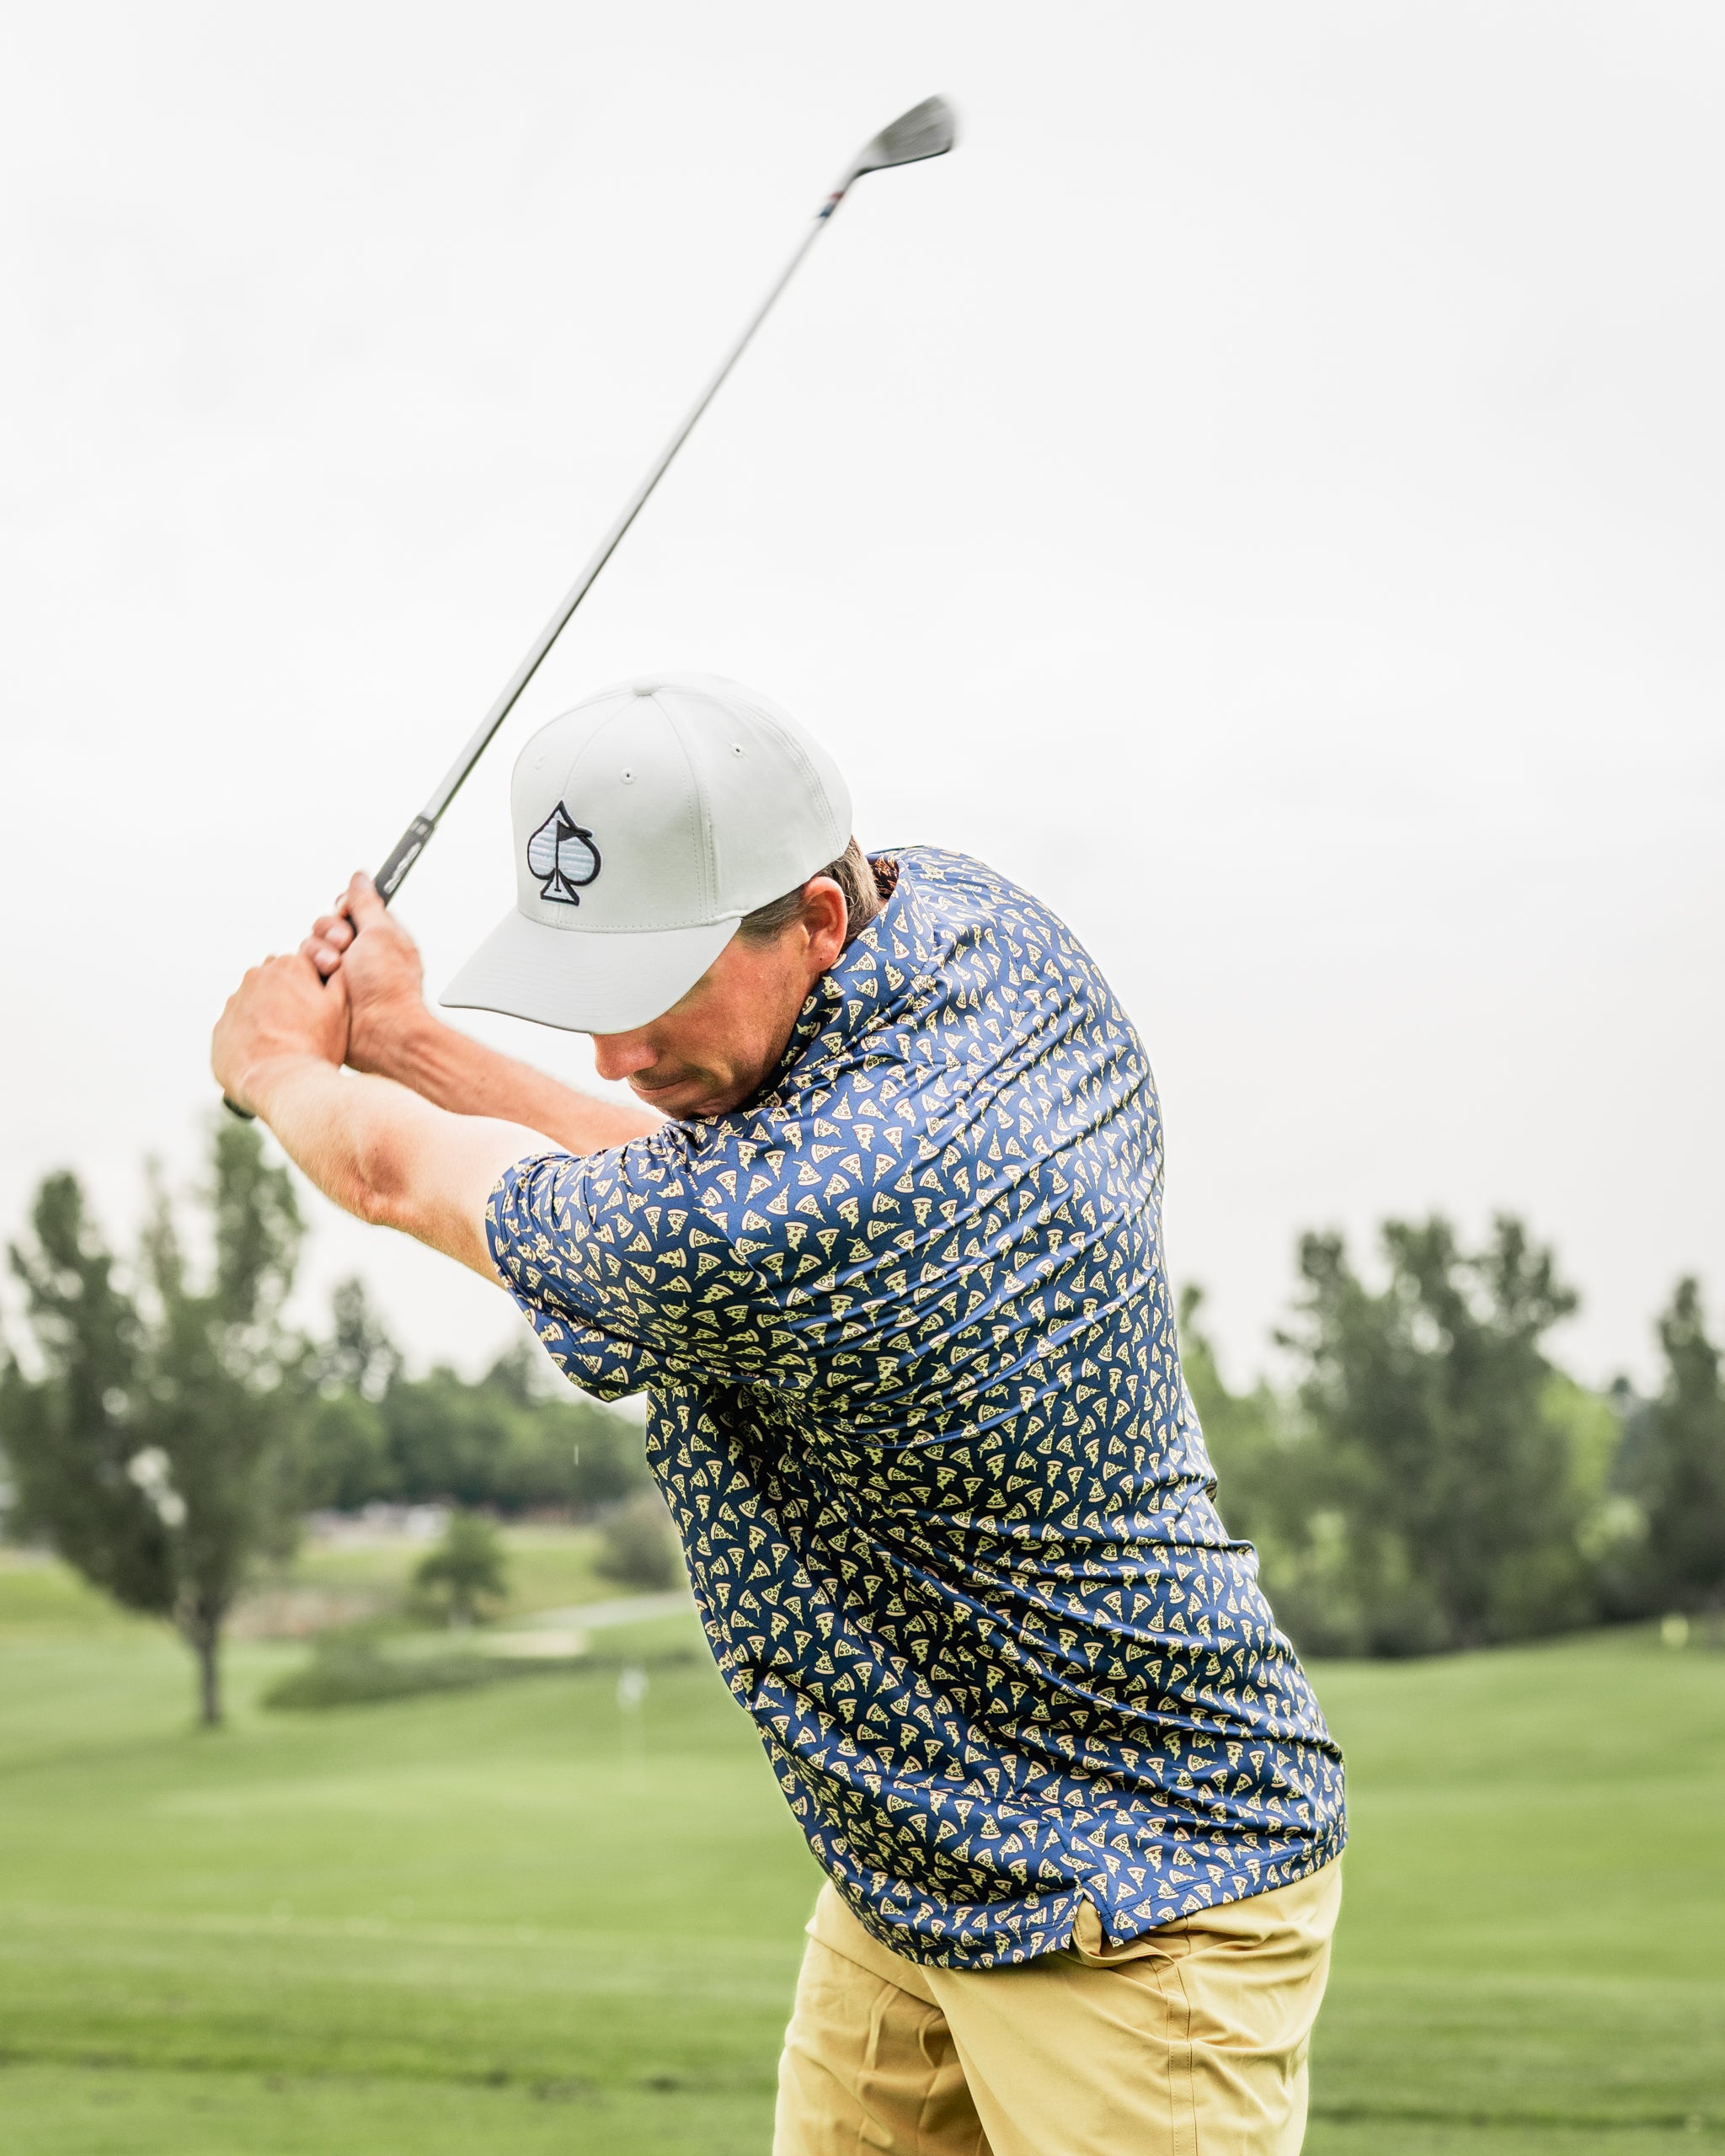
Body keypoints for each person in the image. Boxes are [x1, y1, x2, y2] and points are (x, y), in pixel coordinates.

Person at [212, 674, 1347, 2155]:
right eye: (591, 998)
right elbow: (698, 1179)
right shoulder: (970, 929)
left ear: (812, 919)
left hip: (1135, 1897)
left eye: (653, 994)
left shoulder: (819, 1204)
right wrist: (409, 1039)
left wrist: (278, 1065)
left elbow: (400, 1179)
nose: (613, 1053)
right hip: (918, 1861)